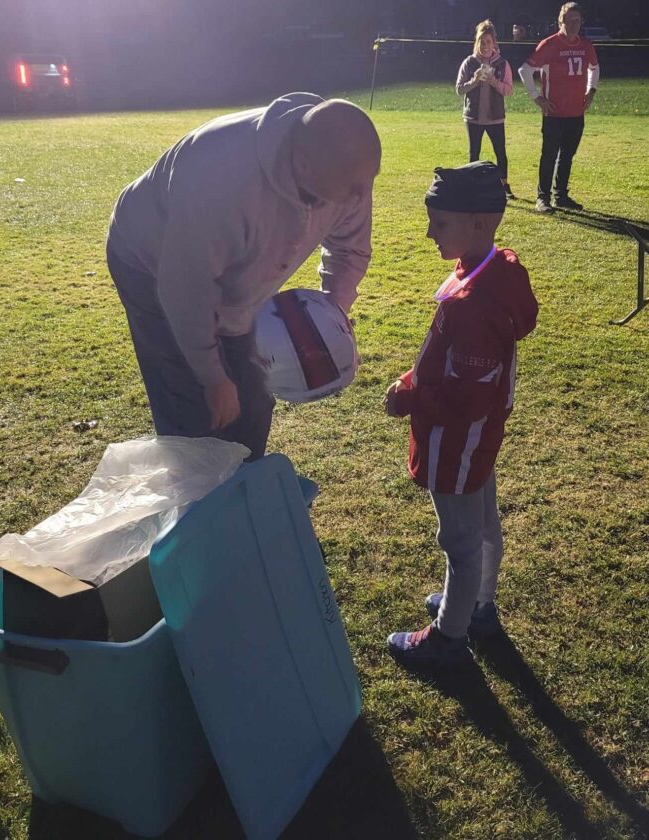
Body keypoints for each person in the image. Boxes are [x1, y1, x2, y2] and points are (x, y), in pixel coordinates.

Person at [107, 93, 381, 460]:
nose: (361, 195)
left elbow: (349, 249)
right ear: (303, 165)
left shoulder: (346, 167)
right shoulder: (220, 178)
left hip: (226, 271)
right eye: (352, 187)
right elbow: (187, 290)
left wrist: (332, 317)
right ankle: (195, 486)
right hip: (150, 263)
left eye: (368, 182)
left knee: (252, 399)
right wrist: (212, 377)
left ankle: (246, 479)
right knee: (194, 407)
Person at [384, 162, 538, 668]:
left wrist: (409, 399)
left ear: (479, 223)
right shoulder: (493, 268)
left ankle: (448, 638)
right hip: (480, 436)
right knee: (484, 523)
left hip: (458, 441)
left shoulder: (474, 304)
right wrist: (414, 377)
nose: (430, 233)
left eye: (440, 222)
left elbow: (465, 397)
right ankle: (478, 606)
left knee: (460, 540)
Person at [518, 2, 599, 213]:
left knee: (567, 156)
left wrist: (591, 91)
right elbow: (524, 71)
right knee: (549, 156)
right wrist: (537, 98)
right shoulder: (549, 45)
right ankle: (542, 197)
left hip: (576, 112)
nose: (574, 25)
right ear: (560, 21)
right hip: (554, 113)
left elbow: (594, 68)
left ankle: (560, 195)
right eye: (569, 21)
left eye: (577, 21)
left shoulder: (586, 45)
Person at [455, 20, 515, 200]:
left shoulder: (502, 64)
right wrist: (474, 81)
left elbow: (509, 90)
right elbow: (459, 89)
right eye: (482, 41)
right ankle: (472, 186)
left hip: (495, 118)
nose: (485, 46)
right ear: (477, 42)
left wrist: (493, 82)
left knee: (500, 152)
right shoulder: (469, 62)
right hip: (473, 117)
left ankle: (504, 186)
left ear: (494, 43)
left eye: (488, 41)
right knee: (474, 152)